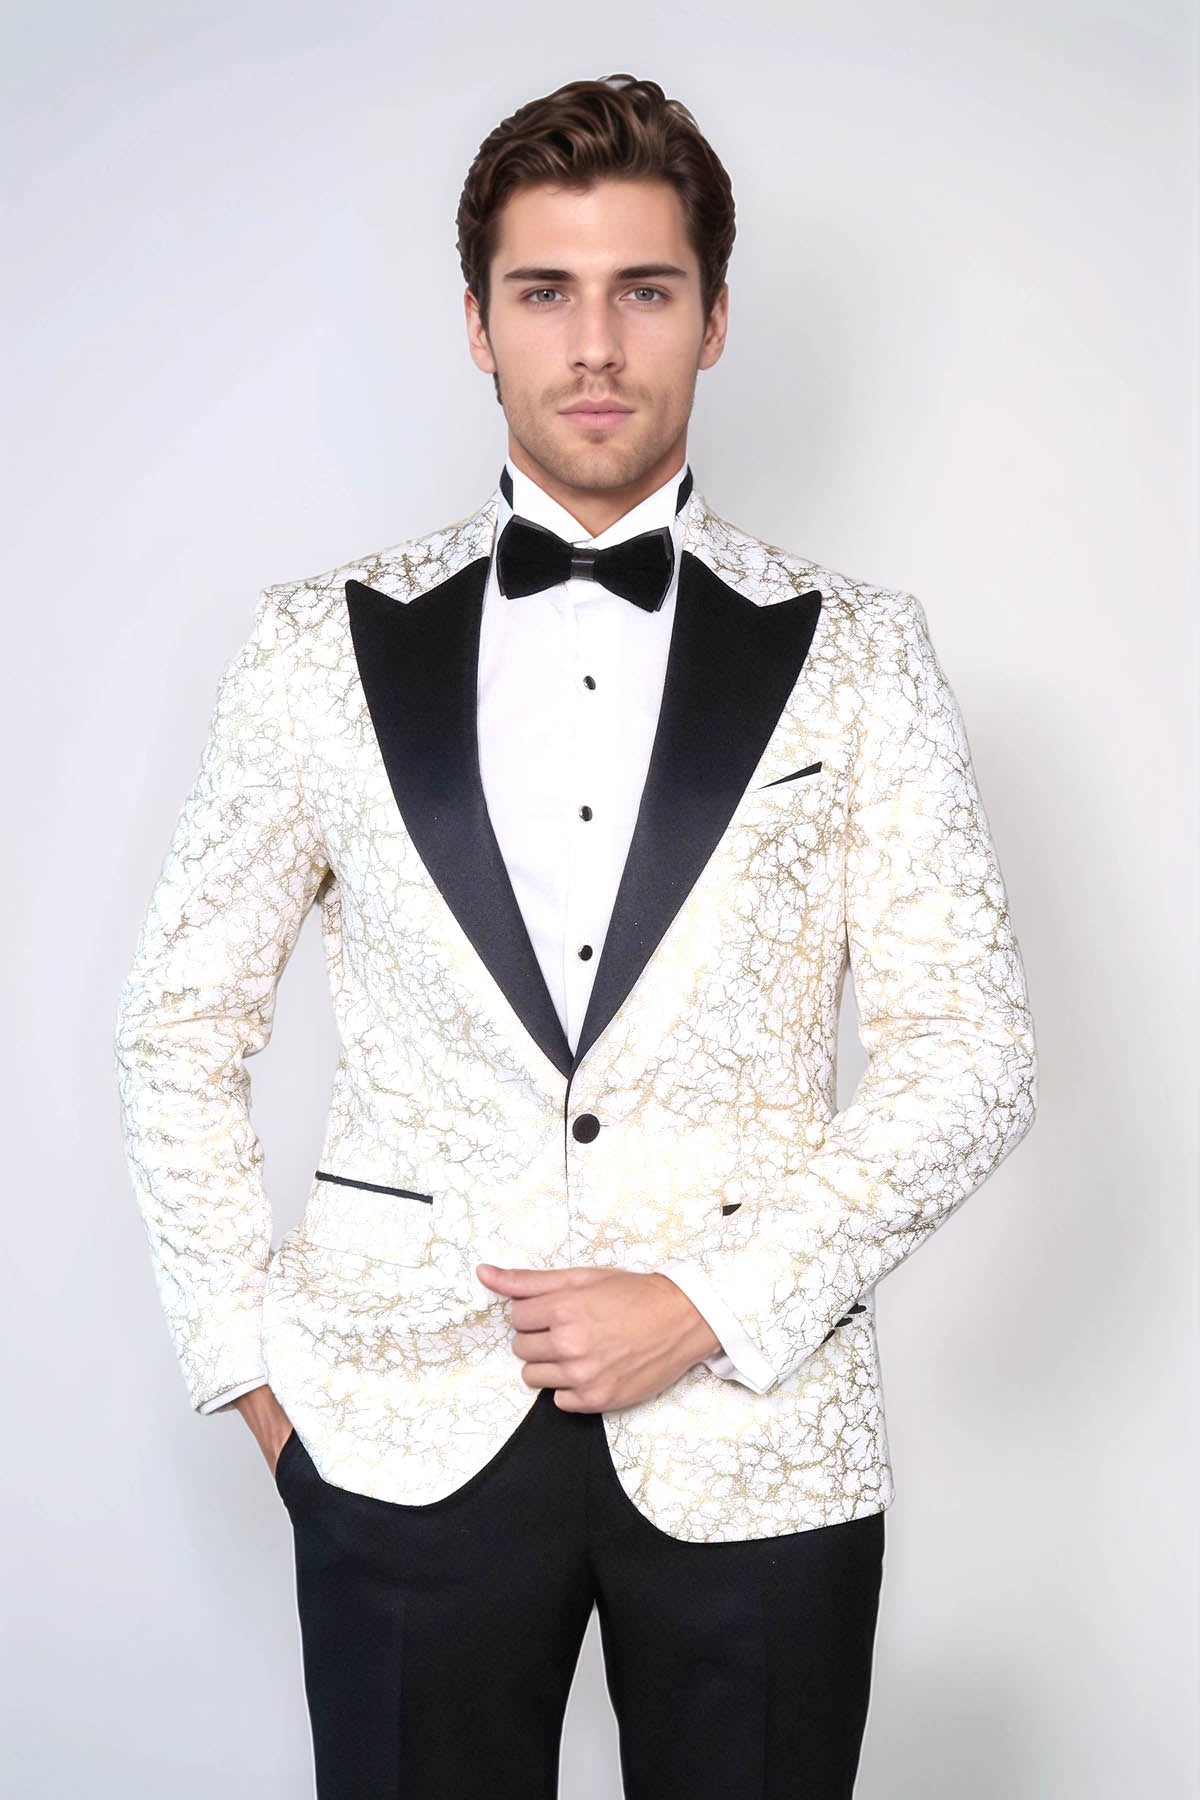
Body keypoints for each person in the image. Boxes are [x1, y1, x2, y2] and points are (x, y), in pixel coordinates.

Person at [113, 72, 1038, 1800]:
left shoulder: (864, 654)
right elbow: (179, 1025)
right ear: (477, 323)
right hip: (396, 1431)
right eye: (545, 292)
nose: (595, 344)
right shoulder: (314, 647)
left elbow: (971, 1055)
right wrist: (250, 1373)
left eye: (645, 290)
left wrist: (707, 1302)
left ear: (715, 317)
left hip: (759, 1429)